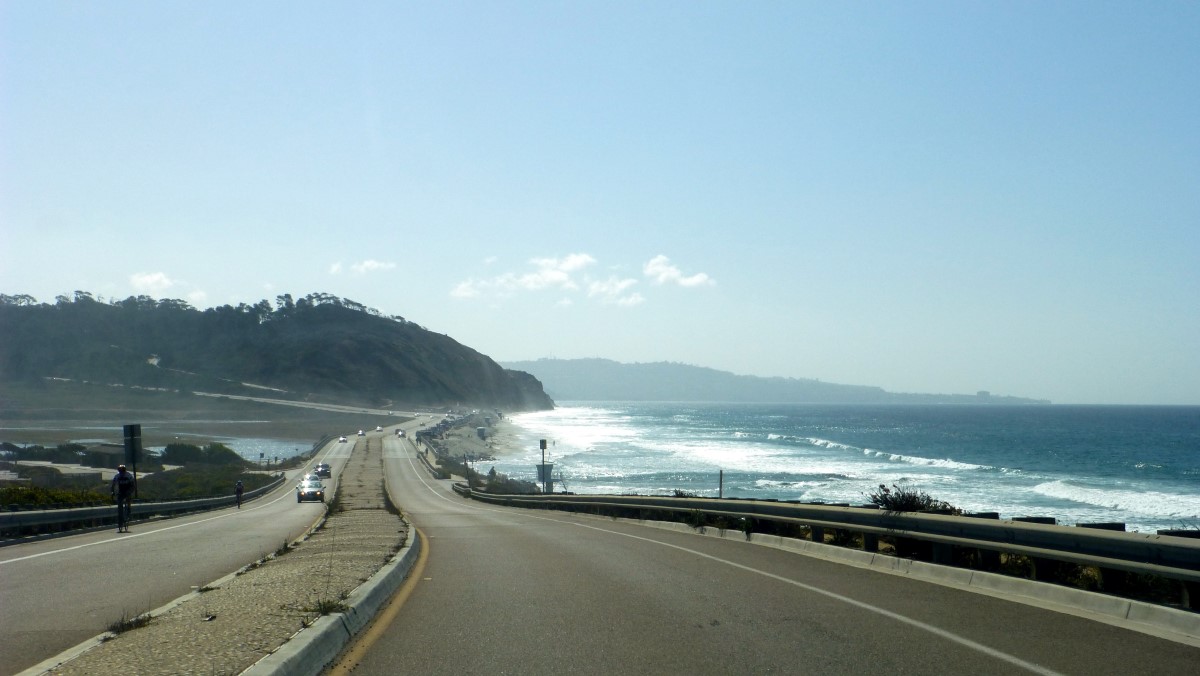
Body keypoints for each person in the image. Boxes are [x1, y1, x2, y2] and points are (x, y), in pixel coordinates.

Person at [111, 464, 135, 532]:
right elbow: (113, 484)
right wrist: (112, 492)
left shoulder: (129, 475)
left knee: (128, 498)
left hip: (128, 490)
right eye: (120, 470)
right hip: (121, 491)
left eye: (122, 470)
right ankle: (120, 520)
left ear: (125, 470)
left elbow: (133, 485)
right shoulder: (117, 476)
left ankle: (129, 509)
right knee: (120, 505)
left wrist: (130, 491)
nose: (121, 472)